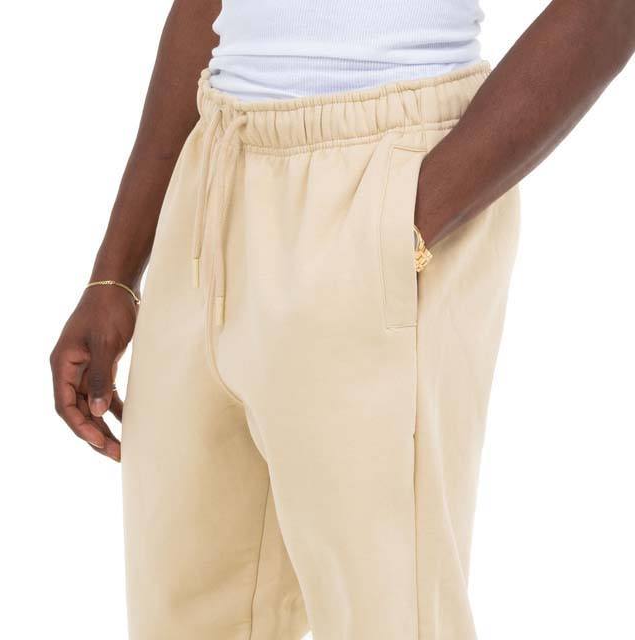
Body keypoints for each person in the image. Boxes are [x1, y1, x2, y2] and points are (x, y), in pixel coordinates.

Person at [50, 1, 635, 638]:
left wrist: (404, 220)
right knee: (182, 619)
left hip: (380, 173)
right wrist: (113, 273)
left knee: (388, 619)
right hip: (208, 178)